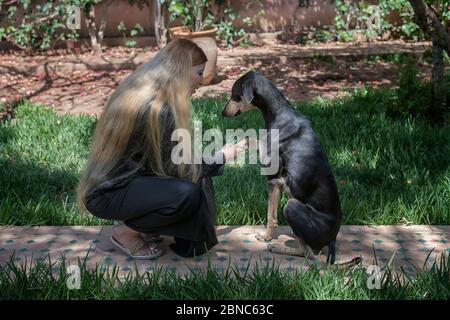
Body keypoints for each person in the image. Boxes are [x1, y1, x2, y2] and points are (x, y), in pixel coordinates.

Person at [76, 38, 246, 259]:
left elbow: (167, 163)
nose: (202, 81)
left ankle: (143, 224)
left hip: (116, 185)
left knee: (189, 184)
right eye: (198, 73)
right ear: (180, 71)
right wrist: (221, 157)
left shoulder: (146, 93)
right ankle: (127, 232)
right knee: (187, 194)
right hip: (108, 193)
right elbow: (179, 171)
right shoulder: (158, 109)